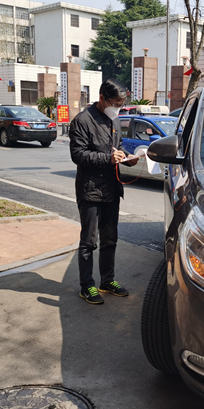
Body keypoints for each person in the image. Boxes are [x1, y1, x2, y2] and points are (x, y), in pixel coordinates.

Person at [69, 79, 138, 305]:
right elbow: (78, 155)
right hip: (90, 190)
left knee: (110, 239)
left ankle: (107, 281)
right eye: (115, 103)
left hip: (112, 188)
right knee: (89, 242)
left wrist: (126, 157)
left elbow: (117, 147)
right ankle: (87, 285)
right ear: (102, 98)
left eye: (121, 104)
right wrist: (108, 158)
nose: (117, 108)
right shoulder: (82, 121)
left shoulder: (114, 120)